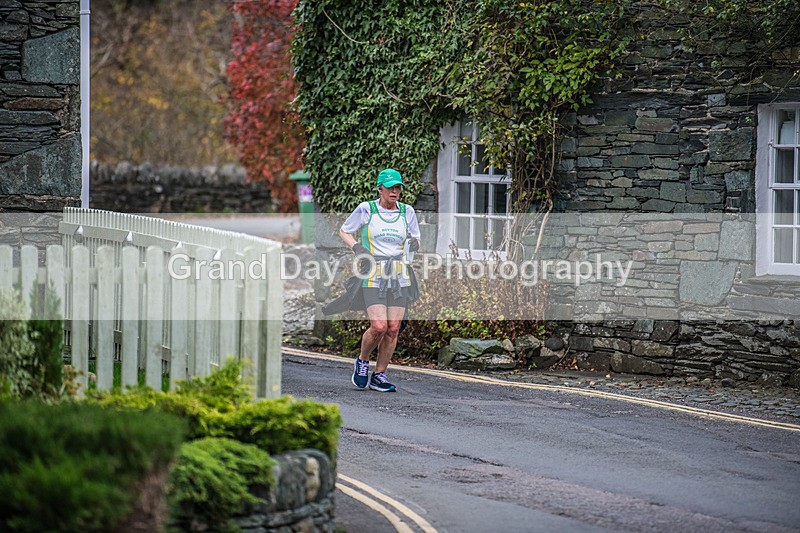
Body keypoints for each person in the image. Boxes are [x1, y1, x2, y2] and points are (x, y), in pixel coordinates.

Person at [337, 168, 421, 392]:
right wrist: (356, 247)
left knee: (393, 328)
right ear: (380, 188)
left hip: (400, 273)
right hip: (373, 273)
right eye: (391, 187)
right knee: (379, 326)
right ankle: (363, 361)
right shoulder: (367, 209)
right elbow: (344, 231)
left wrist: (414, 244)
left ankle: (380, 375)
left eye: (398, 187)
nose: (395, 191)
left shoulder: (407, 212)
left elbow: (416, 238)